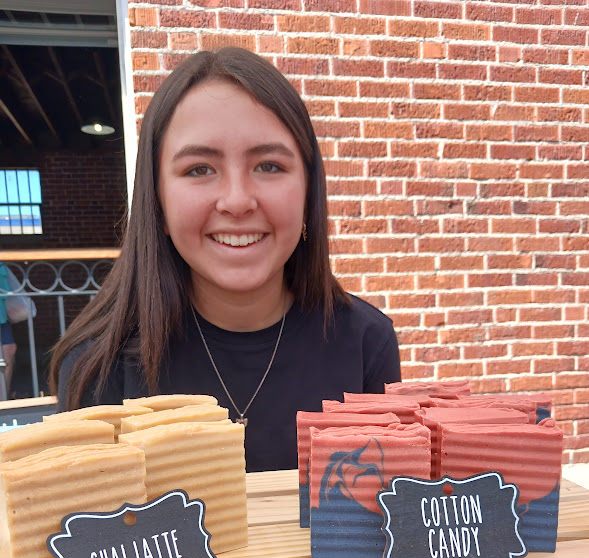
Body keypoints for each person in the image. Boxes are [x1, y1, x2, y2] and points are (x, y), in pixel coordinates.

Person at [50, 46, 400, 472]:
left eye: (269, 166)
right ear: (157, 202)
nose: (237, 201)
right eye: (199, 169)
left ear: (309, 193)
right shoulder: (99, 365)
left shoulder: (367, 345)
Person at [0, 264, 18, 400]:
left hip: (2, 318)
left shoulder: (2, 266)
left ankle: (3, 397)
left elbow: (6, 292)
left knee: (8, 352)